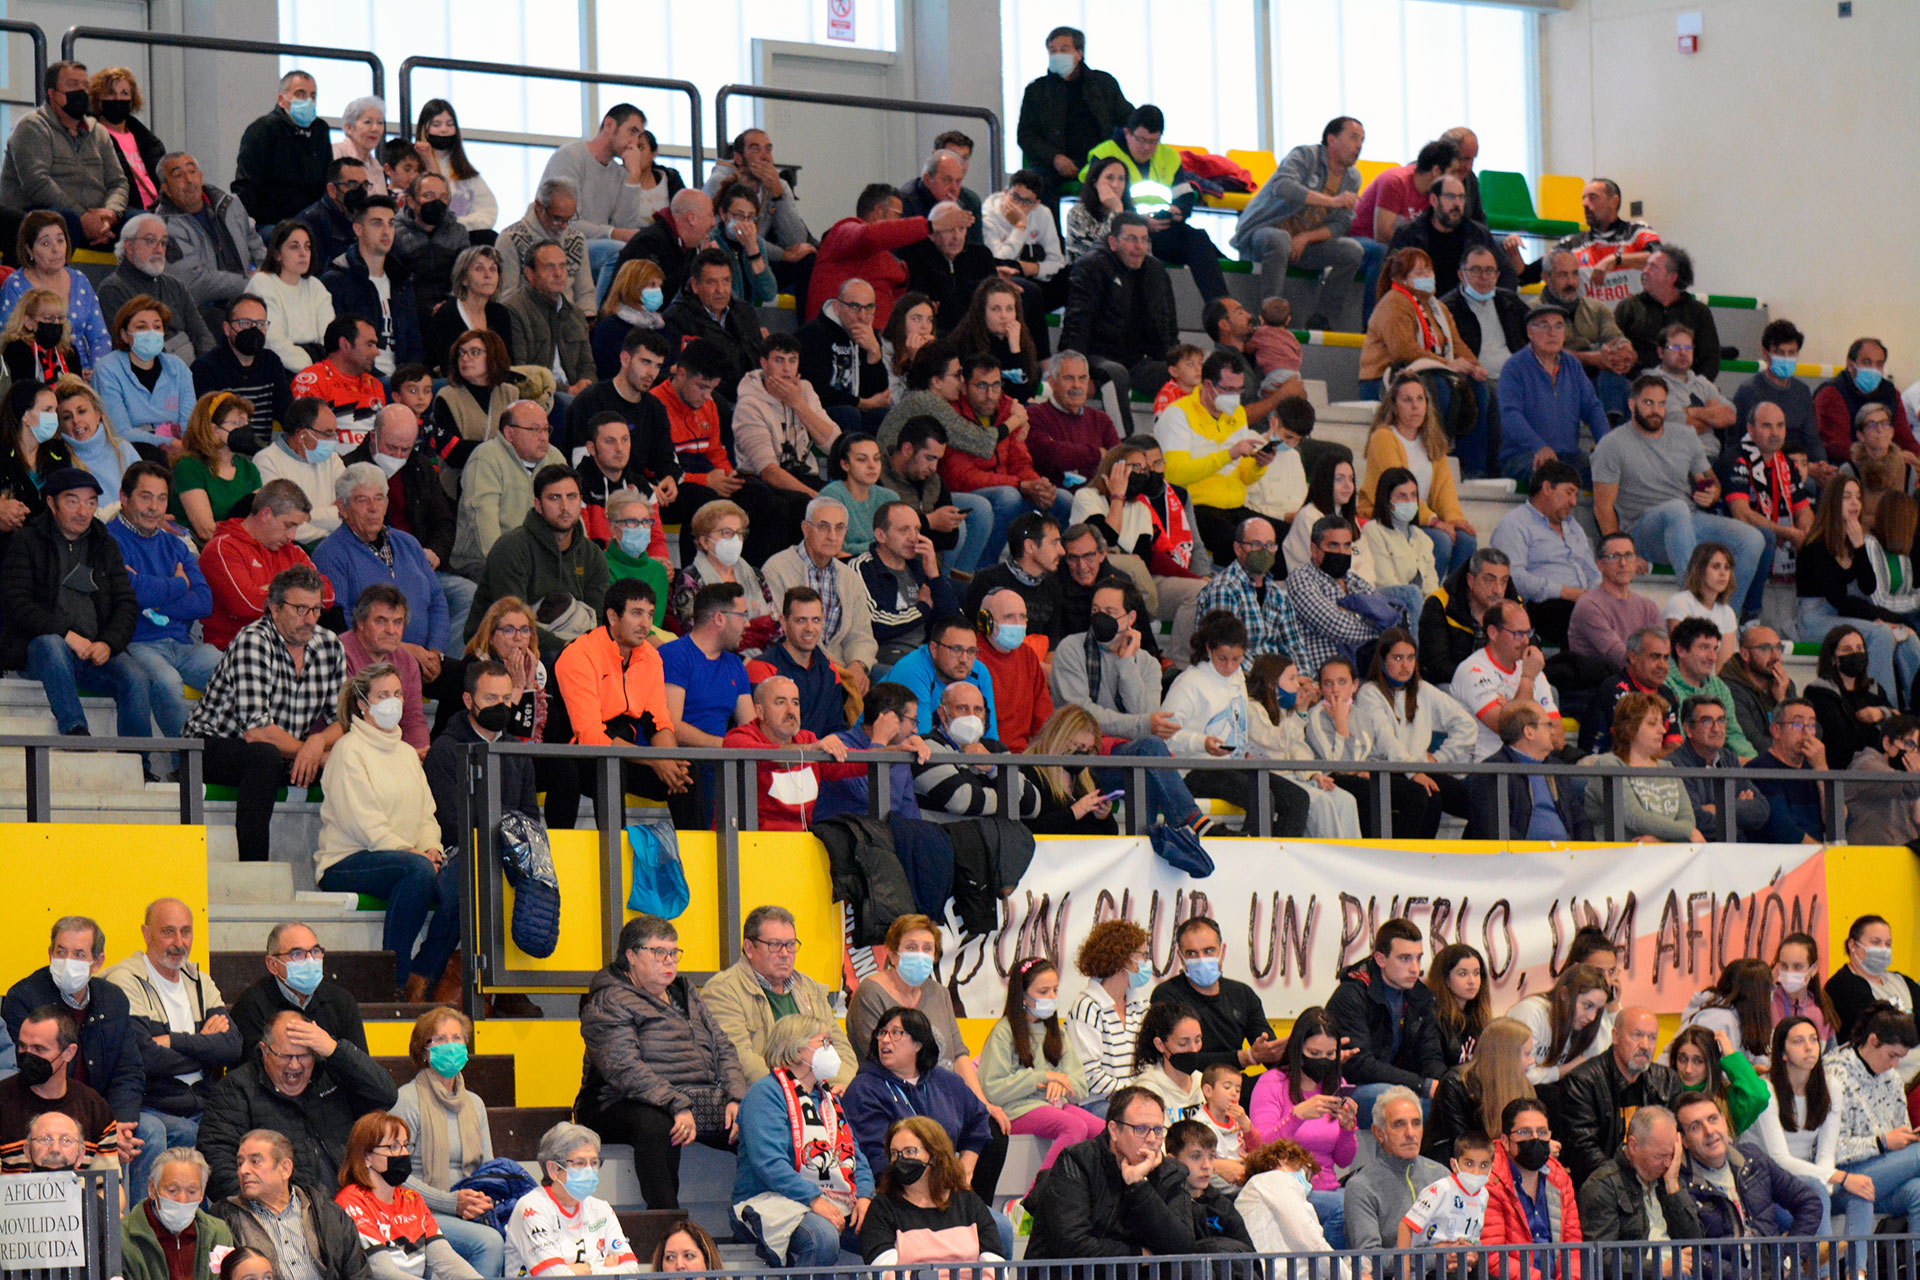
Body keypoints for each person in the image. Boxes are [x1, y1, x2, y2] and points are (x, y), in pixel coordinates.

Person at [573, 915, 744, 1214]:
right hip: (616, 1101)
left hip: (692, 1099)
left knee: (760, 1120)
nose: (669, 960)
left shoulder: (684, 991)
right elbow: (624, 1068)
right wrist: (675, 1103)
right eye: (658, 952)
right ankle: (667, 1223)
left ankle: (756, 1215)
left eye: (674, 952)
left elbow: (723, 1046)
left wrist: (736, 1097)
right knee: (657, 1125)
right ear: (631, 955)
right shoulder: (609, 999)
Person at [184, 565, 346, 863]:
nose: (309, 619)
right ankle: (253, 865)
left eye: (315, 610)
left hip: (286, 750)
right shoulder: (253, 641)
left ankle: (345, 860)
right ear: (274, 608)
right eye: (300, 609)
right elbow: (257, 731)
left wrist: (317, 744)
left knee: (353, 757)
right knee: (264, 756)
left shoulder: (330, 645)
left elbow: (344, 721)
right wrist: (309, 752)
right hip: (209, 747)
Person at [0, 465, 154, 742]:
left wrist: (108, 643)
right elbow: (18, 603)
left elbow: (126, 604)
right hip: (42, 649)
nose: (83, 511)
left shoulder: (105, 545)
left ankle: (139, 758)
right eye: (73, 502)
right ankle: (75, 730)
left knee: (136, 676)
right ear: (52, 503)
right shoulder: (27, 541)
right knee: (51, 645)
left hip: (94, 651)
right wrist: (67, 635)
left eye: (91, 503)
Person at [1593, 375, 1763, 620]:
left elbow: (1710, 480)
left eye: (1661, 404)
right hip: (1642, 530)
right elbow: (1603, 507)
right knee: (1675, 509)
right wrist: (1624, 553)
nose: (1655, 410)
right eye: (1648, 403)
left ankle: (1724, 620)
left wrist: (1711, 493)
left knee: (1753, 539)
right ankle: (1695, 608)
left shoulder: (1685, 435)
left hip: (1688, 520)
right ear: (1631, 404)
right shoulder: (1612, 444)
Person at [101, 899, 239, 1194]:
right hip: (151, 1103)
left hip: (202, 1103)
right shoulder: (125, 980)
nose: (179, 942)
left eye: (186, 932)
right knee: (179, 1133)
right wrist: (205, 1048)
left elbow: (231, 1047)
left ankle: (210, 1223)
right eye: (168, 932)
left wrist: (175, 1041)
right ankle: (146, 1222)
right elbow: (144, 1057)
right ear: (146, 933)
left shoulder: (200, 980)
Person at [197, 1006, 399, 1201]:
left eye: (304, 1056)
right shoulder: (235, 1089)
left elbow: (386, 1096)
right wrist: (267, 1207)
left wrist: (336, 1050)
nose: (294, 1065)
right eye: (285, 1056)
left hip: (354, 1202)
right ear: (265, 1051)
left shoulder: (332, 1073)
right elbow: (218, 1165)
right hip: (280, 1211)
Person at [728, 1012, 871, 1268]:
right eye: (824, 1043)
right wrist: (814, 1199)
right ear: (795, 1051)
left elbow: (854, 1155)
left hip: (830, 1197)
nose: (831, 1050)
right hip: (769, 1199)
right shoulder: (765, 1094)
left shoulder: (828, 1097)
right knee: (822, 1237)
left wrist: (865, 1196)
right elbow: (769, 1163)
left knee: (882, 1227)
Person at [1023, 1083, 1214, 1262]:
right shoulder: (1077, 1160)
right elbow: (1072, 1244)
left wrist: (1139, 1187)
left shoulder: (1171, 1172)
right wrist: (1137, 1255)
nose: (1151, 1139)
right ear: (1114, 1130)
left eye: (1157, 1130)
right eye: (1141, 1129)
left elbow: (1183, 1248)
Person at [379, 1009, 503, 1276]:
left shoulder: (475, 1103)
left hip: (468, 1208)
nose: (451, 1046)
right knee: (489, 1242)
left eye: (457, 1038)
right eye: (441, 1039)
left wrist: (478, 1202)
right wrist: (450, 1202)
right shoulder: (407, 1100)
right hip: (419, 1209)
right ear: (424, 1051)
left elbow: (489, 1169)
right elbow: (394, 1174)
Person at [1232, 116, 1379, 328]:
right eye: (1353, 137)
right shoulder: (1305, 156)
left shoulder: (1353, 178)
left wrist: (1306, 237)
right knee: (1280, 239)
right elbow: (1283, 186)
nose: (1359, 145)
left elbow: (1342, 224)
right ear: (1332, 139)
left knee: (1353, 251)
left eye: (1363, 140)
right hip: (1263, 233)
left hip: (1302, 246)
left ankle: (1322, 319)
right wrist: (1331, 201)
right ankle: (1271, 316)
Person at [1359, 249, 1491, 470]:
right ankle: (1435, 458)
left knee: (1480, 388)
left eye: (1429, 270)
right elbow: (1405, 351)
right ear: (1401, 279)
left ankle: (1471, 468)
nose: (1428, 276)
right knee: (1437, 387)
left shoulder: (1438, 308)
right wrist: (1447, 365)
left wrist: (1475, 367)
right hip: (1384, 378)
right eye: (1420, 272)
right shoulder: (1394, 302)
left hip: (1430, 373)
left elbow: (1456, 344)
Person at [1798, 477, 1920, 706]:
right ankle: (1883, 708)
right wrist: (1878, 620)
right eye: (1847, 497)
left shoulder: (1855, 543)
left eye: (1858, 497)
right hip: (1815, 619)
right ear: (1834, 503)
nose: (1855, 503)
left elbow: (1868, 587)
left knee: (1908, 636)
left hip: (1844, 616)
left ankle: (1914, 710)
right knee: (1881, 634)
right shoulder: (1815, 545)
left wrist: (1860, 547)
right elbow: (1838, 598)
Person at [1246, 1007, 1358, 1245]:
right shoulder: (1272, 1083)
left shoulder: (1336, 1084)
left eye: (1330, 1054)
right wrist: (1296, 1117)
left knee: (1364, 1202)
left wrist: (1348, 1128)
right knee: (1343, 1208)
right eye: (1314, 1053)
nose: (1322, 1060)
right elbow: (1259, 1148)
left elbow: (1344, 1160)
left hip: (1329, 1186)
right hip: (1286, 1188)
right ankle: (1330, 1265)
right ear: (1298, 1049)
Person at [979, 954, 1100, 1172]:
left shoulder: (1057, 1033)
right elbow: (993, 1089)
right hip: (1015, 1111)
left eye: (1055, 990)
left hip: (1054, 1106)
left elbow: (1080, 1086)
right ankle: (1039, 1191)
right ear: (1023, 996)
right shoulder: (1004, 1032)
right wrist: (1043, 1077)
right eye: (1043, 992)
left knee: (1104, 1132)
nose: (1052, 997)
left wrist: (1061, 1084)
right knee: (1074, 1127)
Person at [1061, 213, 1177, 431]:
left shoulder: (1155, 270)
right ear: (1113, 242)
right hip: (1097, 357)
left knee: (1184, 372)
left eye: (1144, 240)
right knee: (1116, 373)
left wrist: (1177, 361)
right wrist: (1076, 370)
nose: (1139, 247)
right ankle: (1120, 444)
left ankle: (1176, 440)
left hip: (1138, 360)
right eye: (1131, 239)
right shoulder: (1091, 266)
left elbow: (1168, 326)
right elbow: (1078, 323)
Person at [332, 1110, 479, 1280]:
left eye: (405, 1145)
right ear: (366, 1157)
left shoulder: (412, 1199)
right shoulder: (352, 1201)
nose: (404, 1154)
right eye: (393, 1147)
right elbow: (383, 1273)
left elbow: (444, 1259)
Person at [1325, 918, 1446, 1122]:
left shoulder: (1420, 996)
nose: (1415, 968)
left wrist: (1445, 1086)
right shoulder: (1351, 995)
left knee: (1452, 1101)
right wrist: (1421, 1085)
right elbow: (1360, 1065)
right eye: (1405, 959)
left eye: (1418, 958)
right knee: (1405, 1105)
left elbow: (1431, 1055)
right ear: (1381, 959)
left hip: (1401, 1086)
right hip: (1351, 1089)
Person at [208, 1134, 374, 1280]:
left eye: (255, 1162)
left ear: (285, 1169)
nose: (243, 1170)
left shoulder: (327, 1212)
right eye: (239, 1163)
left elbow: (358, 1273)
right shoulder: (224, 1218)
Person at [1362, 376, 1477, 585]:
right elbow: (1398, 488)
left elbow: (1445, 490)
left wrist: (1454, 519)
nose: (1415, 406)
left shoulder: (1432, 440)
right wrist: (1434, 520)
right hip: (1391, 517)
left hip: (1420, 519)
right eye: (1407, 400)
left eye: (1420, 399)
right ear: (1394, 407)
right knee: (1440, 540)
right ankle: (1425, 598)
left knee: (1466, 539)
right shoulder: (1384, 437)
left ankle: (1451, 598)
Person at [1, 61, 129, 247]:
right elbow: (37, 183)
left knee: (141, 223)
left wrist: (111, 214)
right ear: (52, 94)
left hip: (99, 217)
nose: (81, 91)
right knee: (62, 221)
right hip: (39, 214)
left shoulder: (99, 132)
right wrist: (82, 216)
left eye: (85, 85)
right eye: (72, 84)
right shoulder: (32, 127)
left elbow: (118, 182)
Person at [1554, 1007, 1683, 1189]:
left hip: (1656, 1183)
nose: (1645, 1045)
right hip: (1603, 1187)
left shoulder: (1667, 1081)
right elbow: (1584, 1152)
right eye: (1637, 1035)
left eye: (1652, 1037)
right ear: (1615, 1036)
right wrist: (1630, 1185)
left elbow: (1676, 1141)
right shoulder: (1583, 1082)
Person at [806, 182, 968, 326]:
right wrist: (932, 225)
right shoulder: (843, 233)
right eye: (898, 215)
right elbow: (869, 236)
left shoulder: (888, 258)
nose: (901, 221)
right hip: (840, 336)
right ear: (878, 212)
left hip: (880, 338)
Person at [1149, 916, 1286, 1079]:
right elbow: (1180, 1060)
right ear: (1181, 957)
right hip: (1185, 1086)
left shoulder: (1243, 994)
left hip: (1233, 1086)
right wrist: (1247, 1057)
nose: (1201, 959)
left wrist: (1290, 1049)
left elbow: (1269, 1054)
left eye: (1209, 951)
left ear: (1222, 951)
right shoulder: (1166, 995)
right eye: (1192, 953)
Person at [858, 1114, 1007, 1264]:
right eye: (895, 1153)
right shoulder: (881, 1209)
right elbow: (886, 1272)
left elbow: (994, 1266)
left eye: (910, 1151)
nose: (901, 1159)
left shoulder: (969, 1203)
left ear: (934, 1155)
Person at [197, 479, 326, 650]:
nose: (292, 536)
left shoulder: (292, 551)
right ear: (265, 514)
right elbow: (248, 606)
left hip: (287, 644)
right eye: (288, 525)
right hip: (237, 647)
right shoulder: (223, 549)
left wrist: (272, 590)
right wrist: (302, 597)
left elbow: (328, 594)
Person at [1576, 1105, 1704, 1275]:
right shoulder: (1602, 1185)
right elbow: (1600, 1257)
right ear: (1633, 1146)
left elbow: (1695, 1244)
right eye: (1660, 1156)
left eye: (1672, 1155)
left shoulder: (1668, 1177)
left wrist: (1673, 1188)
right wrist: (1657, 1269)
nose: (1668, 1163)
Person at [501, 1121, 639, 1276]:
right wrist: (605, 1271)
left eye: (594, 1163)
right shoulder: (531, 1209)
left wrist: (587, 1270)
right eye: (580, 1163)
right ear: (553, 1169)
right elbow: (553, 1276)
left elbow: (631, 1270)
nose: (589, 1170)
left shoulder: (601, 1209)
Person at [1016, 26, 1134, 205]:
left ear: (1079, 53)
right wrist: (1055, 157)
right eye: (1052, 51)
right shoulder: (1036, 91)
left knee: (1117, 176)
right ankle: (1050, 225)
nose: (1057, 55)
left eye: (1064, 50)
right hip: (1052, 164)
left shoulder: (1103, 84)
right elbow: (1026, 136)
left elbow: (1128, 120)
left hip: (1098, 161)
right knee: (1037, 183)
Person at [1497, 305, 1612, 488]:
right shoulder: (1514, 367)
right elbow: (1510, 415)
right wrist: (1538, 446)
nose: (1552, 333)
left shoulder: (1572, 365)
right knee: (1553, 478)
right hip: (1524, 456)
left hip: (1569, 456)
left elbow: (1592, 408)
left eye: (1558, 326)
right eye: (1544, 325)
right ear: (1529, 332)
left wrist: (1607, 445)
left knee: (1611, 474)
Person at [0, 1002, 122, 1173]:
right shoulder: (3, 1100)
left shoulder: (94, 1108)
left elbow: (108, 1184)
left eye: (39, 1049)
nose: (28, 1056)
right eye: (23, 1047)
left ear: (68, 1053)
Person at [448, 400, 564, 579]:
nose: (544, 437)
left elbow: (571, 512)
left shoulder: (554, 457)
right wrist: (513, 567)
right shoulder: (486, 458)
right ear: (510, 433)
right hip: (483, 562)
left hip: (541, 561)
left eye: (546, 429)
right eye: (535, 430)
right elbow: (484, 524)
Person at [1491, 460, 1598, 649]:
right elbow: (1513, 579)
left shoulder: (1574, 527)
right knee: (1583, 620)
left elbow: (1593, 573)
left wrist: (1599, 597)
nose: (1574, 502)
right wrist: (1567, 592)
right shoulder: (1515, 524)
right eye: (1569, 492)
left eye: (1575, 495)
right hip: (1541, 605)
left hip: (1582, 603)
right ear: (1547, 488)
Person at [1481, 1097, 1584, 1280]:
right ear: (1505, 1141)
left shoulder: (1560, 1178)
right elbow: (1492, 1256)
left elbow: (1572, 1247)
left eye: (1542, 1132)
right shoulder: (1488, 1181)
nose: (1535, 1139)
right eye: (1525, 1132)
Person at [1063, 919, 1154, 1120]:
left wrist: (1147, 1091)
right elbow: (1089, 1076)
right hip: (1097, 1103)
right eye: (1142, 955)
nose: (1146, 961)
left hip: (1136, 1099)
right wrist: (1135, 1095)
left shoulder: (1141, 1005)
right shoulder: (1087, 1007)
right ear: (1122, 959)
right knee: (1141, 1123)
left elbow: (1150, 1060)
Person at [1585, 689, 1704, 843]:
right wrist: (1687, 832)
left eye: (1662, 723)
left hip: (1668, 854)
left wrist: (1660, 842)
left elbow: (1688, 820)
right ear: (1630, 728)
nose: (1662, 730)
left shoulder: (1668, 768)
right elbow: (1634, 817)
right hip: (1621, 854)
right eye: (1652, 723)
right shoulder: (1609, 765)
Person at [1, 214, 113, 374]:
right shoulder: (15, 285)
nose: (56, 249)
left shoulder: (80, 280)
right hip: (36, 373)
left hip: (84, 373)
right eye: (46, 243)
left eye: (60, 240)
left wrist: (95, 371)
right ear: (29, 249)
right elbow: (9, 341)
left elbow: (100, 338)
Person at [1536, 248, 1637, 423]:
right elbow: (1544, 353)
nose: (1571, 282)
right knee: (1617, 384)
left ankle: (1613, 424)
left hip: (1600, 375)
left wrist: (1625, 351)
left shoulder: (1597, 308)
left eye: (1575, 274)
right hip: (1558, 378)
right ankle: (1613, 427)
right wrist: (1591, 358)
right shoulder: (1534, 311)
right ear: (1546, 277)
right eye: (1563, 275)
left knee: (1633, 389)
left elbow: (1615, 336)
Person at [97, 218, 215, 364]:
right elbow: (127, 348)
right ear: (129, 246)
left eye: (163, 243)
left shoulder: (175, 285)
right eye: (150, 241)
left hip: (191, 365)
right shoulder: (113, 289)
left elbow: (202, 335)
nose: (159, 250)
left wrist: (205, 367)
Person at [1344, 1086, 1448, 1249]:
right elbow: (1369, 1257)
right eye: (1399, 1124)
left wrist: (1469, 1250)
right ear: (1379, 1133)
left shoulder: (1441, 1175)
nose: (1410, 1133)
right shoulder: (1361, 1187)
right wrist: (1433, 1257)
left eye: (1416, 1123)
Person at [1424, 1014, 1532, 1165]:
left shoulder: (1522, 1085)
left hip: (1499, 1163)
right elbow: (1465, 1147)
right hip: (1457, 1166)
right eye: (1527, 1054)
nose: (1532, 1061)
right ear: (1507, 1056)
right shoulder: (1456, 1084)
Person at [93, 293, 197, 447]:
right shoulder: (107, 369)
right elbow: (120, 432)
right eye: (141, 327)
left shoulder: (178, 367)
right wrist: (169, 442)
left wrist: (183, 447)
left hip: (178, 450)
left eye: (157, 327)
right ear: (124, 335)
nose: (151, 332)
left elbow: (189, 425)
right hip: (130, 451)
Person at [122, 1147, 236, 1280]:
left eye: (192, 1192)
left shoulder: (218, 1233)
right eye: (172, 1190)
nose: (182, 1200)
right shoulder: (123, 1236)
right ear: (152, 1189)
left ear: (202, 1193)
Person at [1667, 695, 1770, 842]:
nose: (1717, 729)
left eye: (1721, 720)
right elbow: (1695, 820)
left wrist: (1717, 807)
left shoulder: (1729, 759)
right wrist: (1739, 812)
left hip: (1735, 848)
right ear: (1688, 729)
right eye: (1707, 721)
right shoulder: (1675, 764)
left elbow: (1761, 810)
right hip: (1698, 850)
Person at [191, 298, 292, 446]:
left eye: (260, 324)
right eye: (245, 323)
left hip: (263, 452)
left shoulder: (271, 362)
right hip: (223, 452)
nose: (254, 330)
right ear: (227, 328)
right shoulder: (205, 368)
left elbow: (287, 414)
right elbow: (208, 427)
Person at [1615, 247, 1722, 381]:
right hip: (1636, 386)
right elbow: (1614, 348)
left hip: (1685, 387)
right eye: (1646, 266)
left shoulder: (1698, 312)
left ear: (1672, 277)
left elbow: (1710, 359)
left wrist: (1694, 387)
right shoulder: (1628, 308)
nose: (1645, 271)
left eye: (1653, 267)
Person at [495, 177, 595, 316]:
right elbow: (507, 297)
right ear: (539, 206)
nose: (564, 226)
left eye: (569, 219)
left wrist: (587, 317)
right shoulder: (510, 238)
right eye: (557, 218)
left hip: (570, 319)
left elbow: (585, 292)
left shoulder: (576, 239)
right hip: (528, 320)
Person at [245, 222, 335, 373]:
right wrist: (314, 371)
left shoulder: (316, 286)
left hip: (318, 365)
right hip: (275, 369)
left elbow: (330, 338)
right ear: (277, 254)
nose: (303, 253)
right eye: (294, 247)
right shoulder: (262, 283)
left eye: (307, 247)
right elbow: (273, 342)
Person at [1235, 1137, 1348, 1256]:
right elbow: (1307, 1239)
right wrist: (1339, 1268)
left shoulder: (1258, 1188)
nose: (1308, 1183)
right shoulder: (1275, 1179)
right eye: (1305, 1171)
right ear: (1282, 1160)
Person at [1816, 337, 1920, 463]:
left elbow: (1906, 440)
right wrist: (1886, 457)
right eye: (1866, 363)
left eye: (1879, 364)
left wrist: (1911, 458)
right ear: (1850, 364)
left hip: (1889, 465)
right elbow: (1838, 447)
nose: (1873, 369)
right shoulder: (1831, 393)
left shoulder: (1890, 392)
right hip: (1847, 466)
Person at [424, 248, 512, 380]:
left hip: (495, 383)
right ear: (464, 278)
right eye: (479, 269)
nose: (488, 275)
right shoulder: (447, 314)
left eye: (493, 269)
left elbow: (506, 362)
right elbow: (448, 367)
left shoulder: (500, 313)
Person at [412, 100, 497, 234]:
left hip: (462, 235)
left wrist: (457, 224)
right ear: (424, 129)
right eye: (436, 124)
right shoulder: (412, 165)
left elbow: (488, 212)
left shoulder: (465, 171)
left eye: (449, 124)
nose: (444, 129)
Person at [1666, 1024, 1768, 1136]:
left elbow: (1758, 1096)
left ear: (1711, 1064)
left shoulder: (1727, 1102)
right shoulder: (1663, 1094)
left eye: (1698, 1061)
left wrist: (1731, 1056)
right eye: (1683, 1059)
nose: (1688, 1069)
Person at [56, 372, 142, 498]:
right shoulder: (59, 462)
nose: (76, 420)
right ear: (60, 426)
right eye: (67, 417)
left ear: (97, 414)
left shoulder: (124, 449)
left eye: (82, 411)